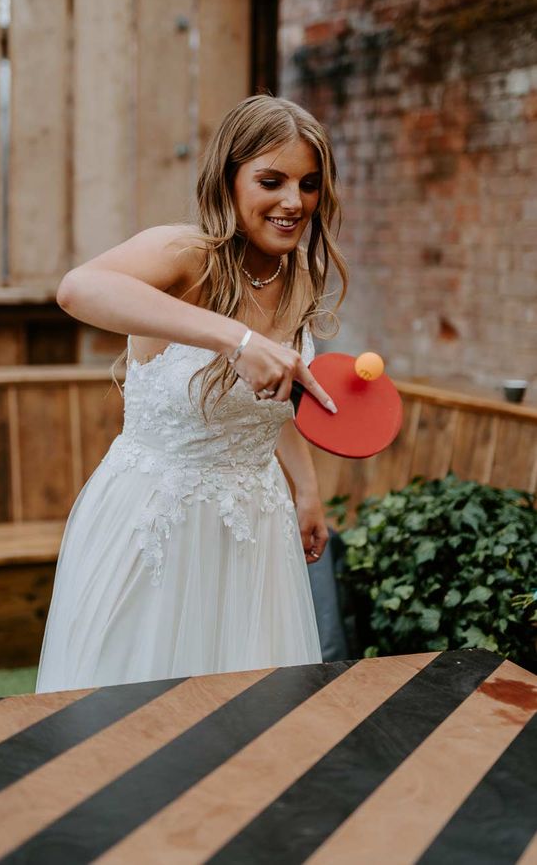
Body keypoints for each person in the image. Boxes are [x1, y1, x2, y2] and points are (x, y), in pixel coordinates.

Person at [35, 94, 349, 693]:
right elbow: (78, 289)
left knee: (248, 710)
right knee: (136, 706)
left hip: (256, 526)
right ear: (228, 178)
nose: (293, 202)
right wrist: (237, 338)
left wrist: (307, 492)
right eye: (271, 180)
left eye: (309, 185)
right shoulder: (185, 254)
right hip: (157, 519)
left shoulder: (298, 278)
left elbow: (272, 400)